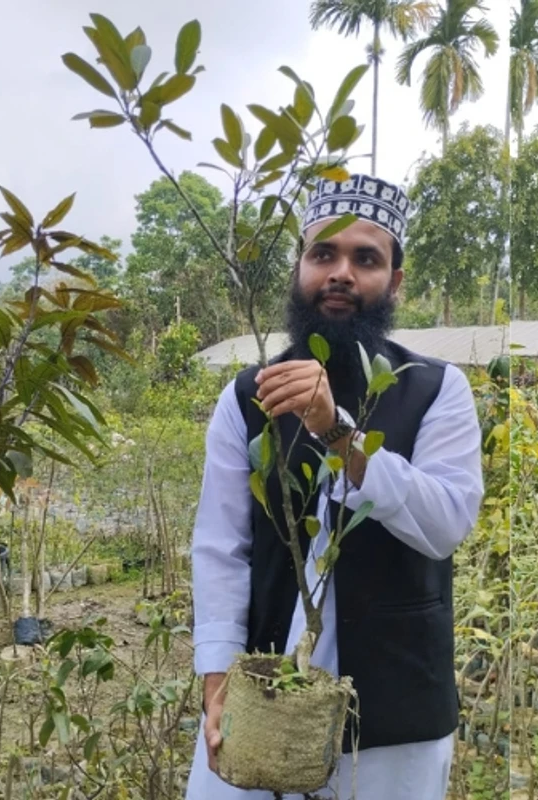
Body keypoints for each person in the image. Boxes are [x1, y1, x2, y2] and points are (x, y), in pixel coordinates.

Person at [185, 174, 484, 800]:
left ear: (395, 282)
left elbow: (446, 524)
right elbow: (220, 549)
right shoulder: (247, 396)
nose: (340, 273)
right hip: (264, 703)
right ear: (299, 269)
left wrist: (338, 434)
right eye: (323, 254)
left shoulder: (436, 389)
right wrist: (215, 681)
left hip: (395, 712)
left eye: (365, 259)